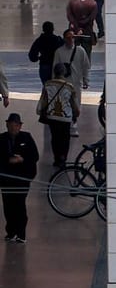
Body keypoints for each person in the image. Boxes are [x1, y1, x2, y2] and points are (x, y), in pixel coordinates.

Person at [0, 112, 38, 243]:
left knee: (19, 204)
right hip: (6, 178)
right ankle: (11, 232)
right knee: (8, 206)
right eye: (10, 125)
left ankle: (21, 233)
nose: (13, 127)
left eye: (15, 125)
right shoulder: (2, 139)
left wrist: (22, 159)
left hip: (22, 178)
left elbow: (34, 156)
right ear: (7, 125)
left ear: (19, 126)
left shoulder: (26, 138)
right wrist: (8, 160)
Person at [36, 63, 78, 167]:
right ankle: (63, 158)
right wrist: (76, 113)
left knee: (55, 138)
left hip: (52, 116)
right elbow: (73, 104)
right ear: (64, 72)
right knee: (65, 138)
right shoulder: (70, 87)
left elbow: (44, 100)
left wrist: (41, 110)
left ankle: (56, 158)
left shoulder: (48, 84)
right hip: (65, 117)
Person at [28, 20, 60, 86]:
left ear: (43, 29)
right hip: (56, 65)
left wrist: (38, 58)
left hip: (44, 65)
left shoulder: (40, 40)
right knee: (57, 86)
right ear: (53, 29)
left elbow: (32, 55)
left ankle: (46, 95)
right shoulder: (58, 40)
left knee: (46, 86)